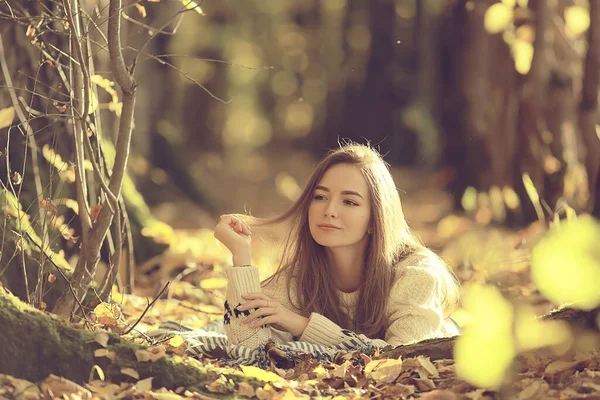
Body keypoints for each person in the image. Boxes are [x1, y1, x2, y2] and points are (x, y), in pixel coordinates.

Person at [213, 143, 461, 352]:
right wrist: (241, 256)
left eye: (350, 202)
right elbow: (247, 346)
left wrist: (301, 325)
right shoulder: (301, 276)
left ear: (376, 220)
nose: (329, 211)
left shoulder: (417, 274)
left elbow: (402, 356)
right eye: (320, 197)